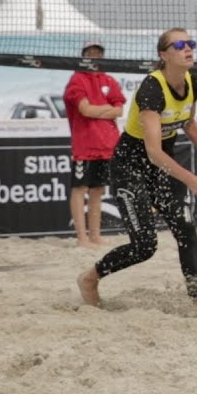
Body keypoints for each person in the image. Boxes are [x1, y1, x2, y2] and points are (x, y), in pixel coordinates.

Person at [77, 28, 197, 307]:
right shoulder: (152, 89)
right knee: (144, 246)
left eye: (191, 43)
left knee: (186, 229)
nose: (189, 48)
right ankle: (90, 277)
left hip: (162, 166)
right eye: (180, 45)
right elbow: (152, 151)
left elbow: (188, 123)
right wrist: (190, 179)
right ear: (163, 55)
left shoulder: (192, 82)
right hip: (131, 165)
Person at [63, 39, 126, 249]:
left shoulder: (109, 79)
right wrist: (105, 110)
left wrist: (96, 109)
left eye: (98, 53)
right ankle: (82, 238)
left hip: (107, 145)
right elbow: (84, 110)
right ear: (83, 55)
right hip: (85, 145)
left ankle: (95, 236)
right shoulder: (77, 80)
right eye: (90, 52)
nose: (94, 56)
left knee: (98, 190)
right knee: (79, 189)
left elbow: (119, 110)